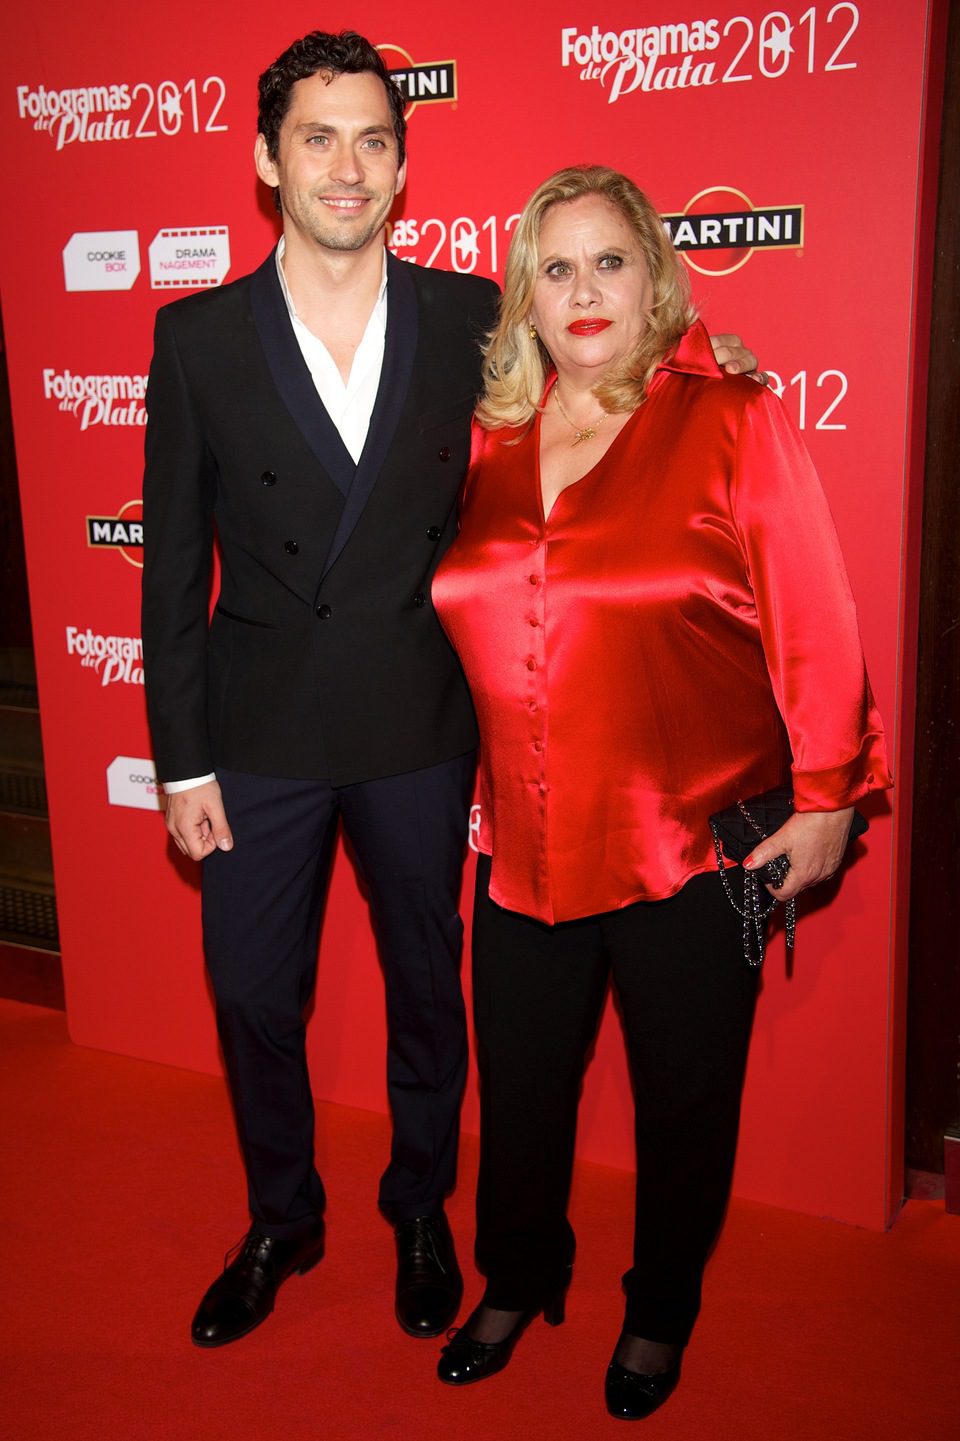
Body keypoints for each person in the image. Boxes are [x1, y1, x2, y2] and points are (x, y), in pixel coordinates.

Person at [142, 32, 760, 1352]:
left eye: (373, 138)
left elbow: (580, 462)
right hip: (253, 732)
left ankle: (420, 1207)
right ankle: (281, 1216)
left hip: (421, 729)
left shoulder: (469, 316)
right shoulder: (191, 338)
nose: (346, 165)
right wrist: (180, 763)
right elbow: (168, 567)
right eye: (317, 137)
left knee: (435, 995)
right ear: (267, 161)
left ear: (404, 164)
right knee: (254, 995)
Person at [431, 165, 892, 1418]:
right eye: (557, 268)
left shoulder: (732, 416)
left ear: (657, 282)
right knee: (520, 1091)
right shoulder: (488, 438)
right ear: (525, 294)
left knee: (685, 1098)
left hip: (690, 847)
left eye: (610, 263)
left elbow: (816, 615)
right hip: (519, 845)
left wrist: (830, 796)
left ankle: (660, 1309)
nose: (585, 292)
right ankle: (519, 1276)